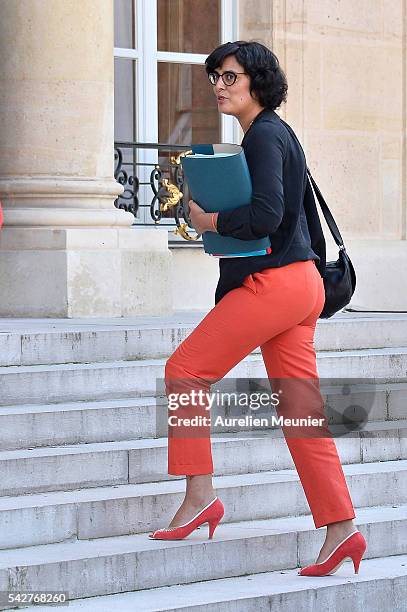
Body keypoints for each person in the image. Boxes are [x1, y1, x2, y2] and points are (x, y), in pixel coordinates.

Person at [149, 41, 367, 577]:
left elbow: (268, 215)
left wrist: (212, 224)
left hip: (278, 284)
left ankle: (200, 497)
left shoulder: (264, 135)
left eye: (230, 77)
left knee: (184, 370)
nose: (220, 86)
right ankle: (342, 529)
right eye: (215, 78)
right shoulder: (274, 134)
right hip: (303, 283)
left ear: (257, 81)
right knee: (301, 414)